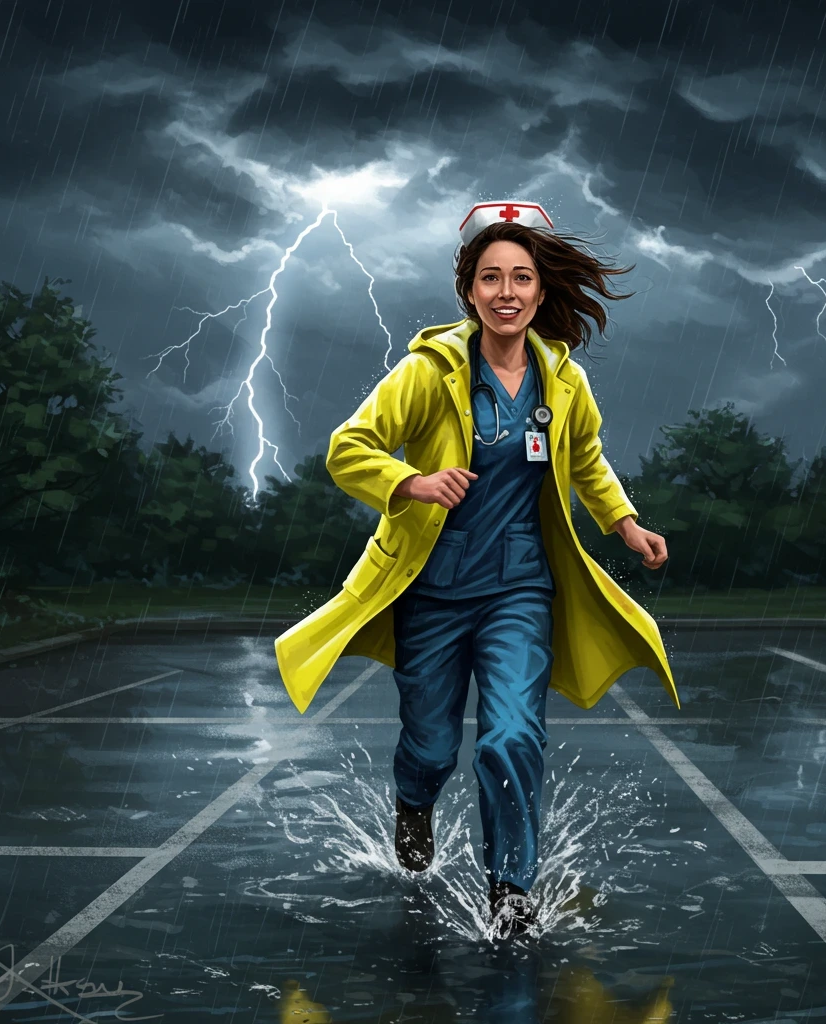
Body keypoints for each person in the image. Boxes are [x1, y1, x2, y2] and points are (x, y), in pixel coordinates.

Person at [275, 200, 680, 939]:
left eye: (521, 277)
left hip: (519, 591)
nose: (507, 292)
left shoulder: (563, 382)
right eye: (490, 277)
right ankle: (414, 800)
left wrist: (624, 523)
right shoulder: (428, 374)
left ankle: (512, 888)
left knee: (512, 737)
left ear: (541, 292)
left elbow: (585, 460)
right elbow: (348, 447)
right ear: (468, 290)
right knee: (431, 745)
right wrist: (411, 482)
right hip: (432, 592)